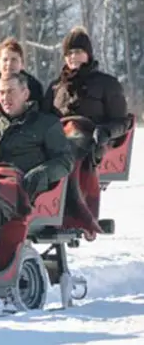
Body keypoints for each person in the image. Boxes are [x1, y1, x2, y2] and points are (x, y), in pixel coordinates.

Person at [0, 71, 74, 269]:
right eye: (1, 93)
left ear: (25, 93)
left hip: (24, 189)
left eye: (11, 92)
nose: (5, 98)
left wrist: (41, 173)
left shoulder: (45, 124)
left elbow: (65, 161)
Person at [42, 26, 132, 239]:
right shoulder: (56, 87)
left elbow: (123, 121)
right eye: (69, 53)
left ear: (88, 54)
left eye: (78, 51)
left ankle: (76, 214)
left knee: (68, 151)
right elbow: (44, 116)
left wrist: (106, 132)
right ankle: (40, 210)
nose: (73, 57)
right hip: (58, 134)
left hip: (90, 135)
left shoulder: (106, 83)